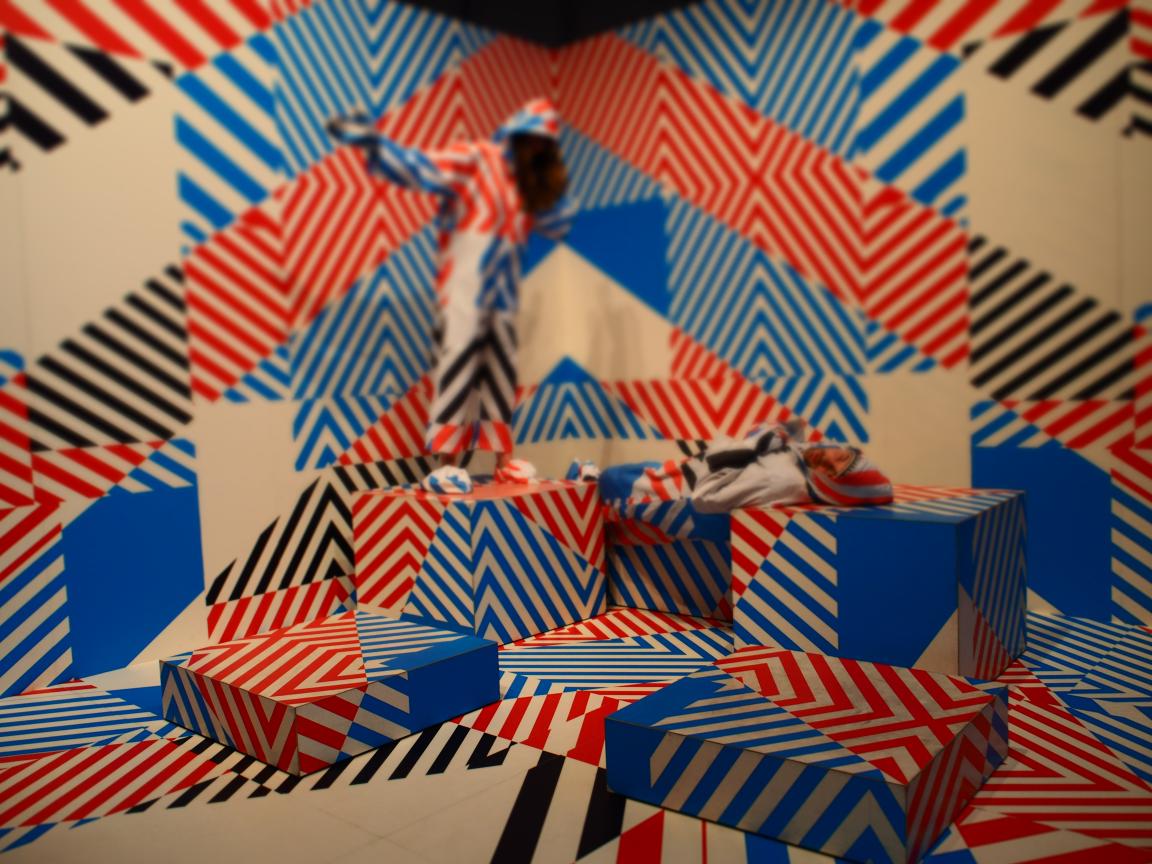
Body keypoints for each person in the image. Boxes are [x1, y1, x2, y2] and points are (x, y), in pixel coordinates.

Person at [326, 99, 575, 493]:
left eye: (544, 143)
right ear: (519, 135)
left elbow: (557, 223)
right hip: (466, 284)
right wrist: (376, 146)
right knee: (458, 366)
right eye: (534, 139)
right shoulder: (478, 159)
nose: (537, 148)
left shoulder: (524, 184)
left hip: (503, 292)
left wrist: (554, 187)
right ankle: (447, 463)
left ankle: (502, 461)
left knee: (500, 374)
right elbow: (423, 167)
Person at [599, 421, 894, 513]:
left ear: (830, 485)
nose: (829, 458)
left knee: (602, 483)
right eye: (842, 456)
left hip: (667, 491)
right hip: (676, 472)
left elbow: (705, 498)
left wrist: (753, 445)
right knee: (601, 481)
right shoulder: (800, 458)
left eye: (835, 470)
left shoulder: (783, 479)